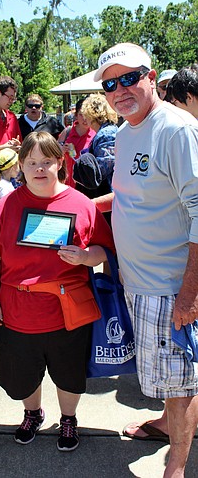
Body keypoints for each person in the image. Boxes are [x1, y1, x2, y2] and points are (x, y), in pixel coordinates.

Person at [94, 42, 198, 478]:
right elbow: (130, 196)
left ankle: (176, 465)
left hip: (170, 286)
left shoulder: (175, 129)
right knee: (168, 377)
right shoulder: (125, 132)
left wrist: (189, 296)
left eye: (130, 77)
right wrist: (73, 207)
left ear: (151, 77)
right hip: (137, 282)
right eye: (110, 83)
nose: (120, 90)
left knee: (181, 383)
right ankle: (164, 424)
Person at [0, 131, 114, 453]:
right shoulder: (6, 206)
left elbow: (107, 249)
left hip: (67, 312)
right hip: (16, 311)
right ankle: (32, 413)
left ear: (60, 162)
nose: (39, 169)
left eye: (47, 161)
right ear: (21, 166)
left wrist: (86, 257)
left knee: (69, 373)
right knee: (21, 374)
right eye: (31, 163)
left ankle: (68, 418)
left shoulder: (82, 204)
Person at [73, 93, 118, 225]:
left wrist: (83, 165)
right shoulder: (107, 131)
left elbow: (103, 168)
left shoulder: (107, 134)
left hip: (108, 194)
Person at [57, 98, 95, 188]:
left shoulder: (96, 133)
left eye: (88, 114)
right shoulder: (67, 132)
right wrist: (61, 150)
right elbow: (53, 154)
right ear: (76, 115)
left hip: (86, 183)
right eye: (81, 115)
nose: (85, 119)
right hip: (66, 182)